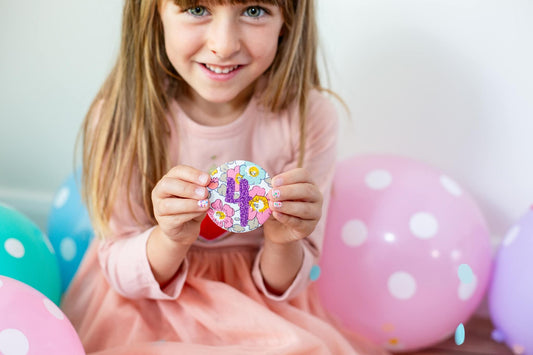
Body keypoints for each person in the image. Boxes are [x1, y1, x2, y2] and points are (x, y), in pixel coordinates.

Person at [61, 0, 390, 354]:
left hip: (260, 312)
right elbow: (121, 272)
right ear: (154, 12)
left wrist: (283, 239)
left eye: (254, 11)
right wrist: (170, 238)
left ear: (288, 20)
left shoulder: (309, 117)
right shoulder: (121, 118)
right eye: (197, 8)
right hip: (145, 307)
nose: (224, 44)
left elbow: (287, 285)